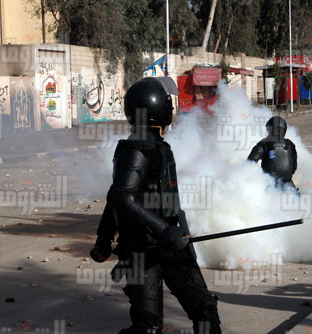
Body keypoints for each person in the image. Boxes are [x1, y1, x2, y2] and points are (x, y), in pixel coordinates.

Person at [89, 77, 222, 334]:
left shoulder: (154, 146)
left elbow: (116, 194)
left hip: (171, 246)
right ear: (159, 109)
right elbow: (122, 197)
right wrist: (163, 231)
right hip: (144, 251)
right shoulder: (136, 150)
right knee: (147, 327)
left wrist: (104, 238)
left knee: (204, 309)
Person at [247, 116, 297, 188]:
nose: (267, 131)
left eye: (269, 129)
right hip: (287, 183)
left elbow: (250, 163)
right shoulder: (290, 144)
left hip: (269, 183)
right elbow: (294, 167)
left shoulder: (264, 144)